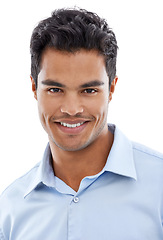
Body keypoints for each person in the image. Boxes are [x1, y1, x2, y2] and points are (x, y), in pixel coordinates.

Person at [0, 7, 163, 240]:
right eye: (55, 89)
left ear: (112, 89)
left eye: (89, 90)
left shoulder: (159, 187)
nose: (72, 109)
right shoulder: (10, 209)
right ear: (35, 88)